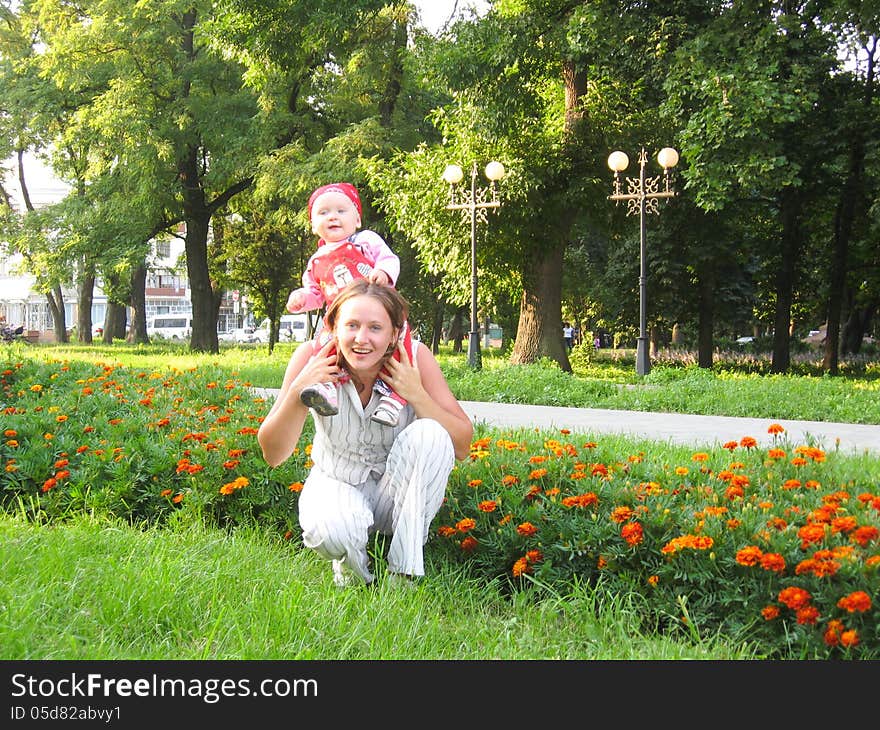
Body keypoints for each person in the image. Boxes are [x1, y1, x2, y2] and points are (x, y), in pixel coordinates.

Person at [259, 279, 474, 587]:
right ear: (333, 328)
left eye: (375, 327)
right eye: (352, 325)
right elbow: (273, 454)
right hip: (337, 481)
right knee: (329, 530)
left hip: (396, 493)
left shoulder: (416, 358)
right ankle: (355, 573)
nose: (362, 339)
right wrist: (297, 391)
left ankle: (404, 573)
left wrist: (417, 394)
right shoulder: (311, 358)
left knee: (431, 434)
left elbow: (462, 445)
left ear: (394, 335)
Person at [286, 182, 413, 427]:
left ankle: (394, 400)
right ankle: (327, 390)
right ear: (313, 226)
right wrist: (302, 299)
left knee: (399, 352)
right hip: (341, 321)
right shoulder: (315, 261)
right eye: (323, 213)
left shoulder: (365, 240)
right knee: (321, 350)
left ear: (356, 219)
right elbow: (316, 293)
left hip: (379, 312)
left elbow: (389, 258)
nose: (332, 216)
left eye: (341, 211)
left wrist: (383, 273)